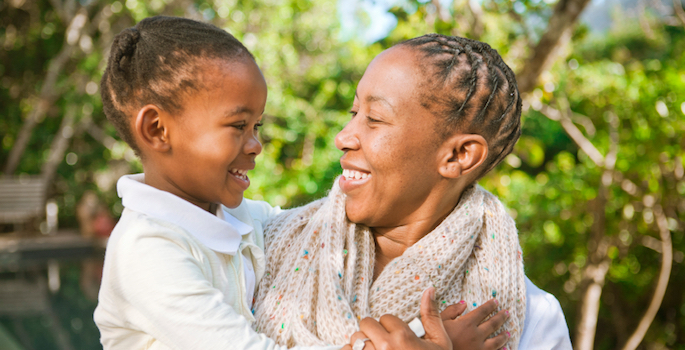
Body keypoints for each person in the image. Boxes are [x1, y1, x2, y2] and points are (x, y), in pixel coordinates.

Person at [93, 17, 507, 350]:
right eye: (238, 126)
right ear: (156, 129)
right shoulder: (145, 250)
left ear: (458, 156)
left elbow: (297, 223)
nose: (256, 145)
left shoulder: (237, 219)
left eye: (257, 126)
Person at [253, 34, 573, 350]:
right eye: (354, 113)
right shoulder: (255, 249)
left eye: (375, 118)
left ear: (458, 156)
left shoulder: (534, 318)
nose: (343, 137)